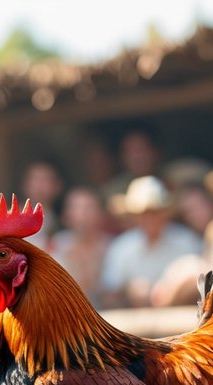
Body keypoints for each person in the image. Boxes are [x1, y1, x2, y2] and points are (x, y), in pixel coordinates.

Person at [99, 176, 204, 309]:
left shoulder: (187, 242)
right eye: (143, 213)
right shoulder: (122, 248)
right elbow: (109, 295)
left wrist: (174, 292)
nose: (150, 219)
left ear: (165, 213)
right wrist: (128, 292)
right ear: (134, 216)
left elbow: (204, 287)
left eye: (155, 212)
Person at [49, 186, 113, 305]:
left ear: (100, 214)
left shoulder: (112, 247)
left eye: (89, 208)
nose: (83, 214)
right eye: (76, 208)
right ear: (66, 214)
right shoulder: (56, 245)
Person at [104, 127, 162, 199]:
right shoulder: (114, 191)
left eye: (140, 149)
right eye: (130, 152)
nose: (137, 157)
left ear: (154, 151)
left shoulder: (172, 180)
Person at [20, 160, 64, 248]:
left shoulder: (64, 221)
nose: (39, 185)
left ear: (58, 186)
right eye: (35, 179)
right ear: (25, 185)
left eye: (45, 179)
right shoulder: (12, 219)